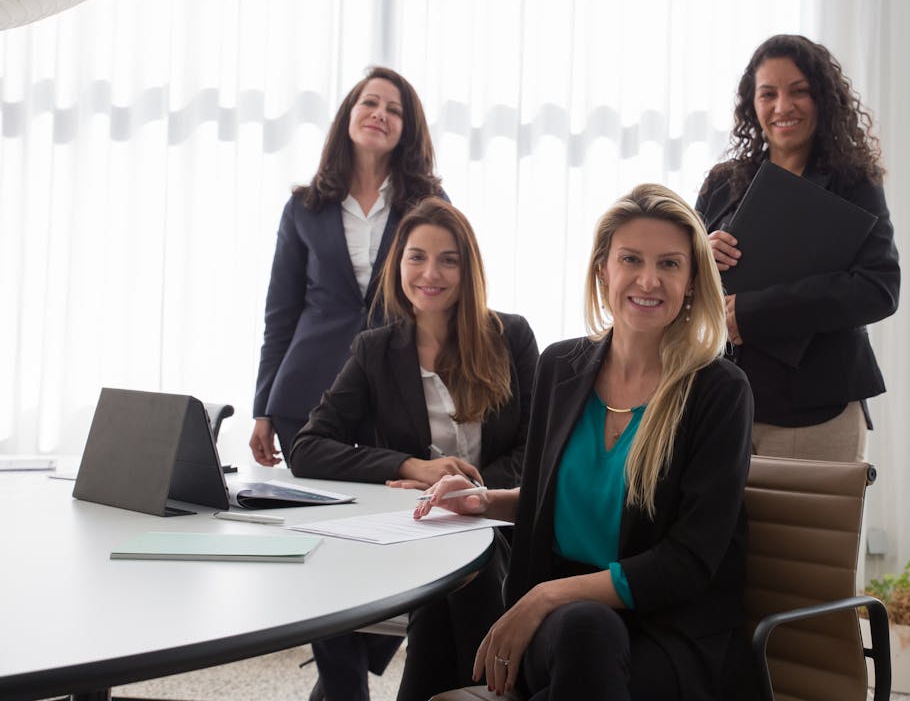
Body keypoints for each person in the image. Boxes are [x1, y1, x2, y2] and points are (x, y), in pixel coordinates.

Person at [415, 184, 754, 701]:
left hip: (666, 630)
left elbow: (690, 560)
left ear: (690, 282)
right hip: (566, 628)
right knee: (576, 628)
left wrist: (546, 597)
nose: (648, 280)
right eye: (631, 260)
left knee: (584, 634)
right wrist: (486, 502)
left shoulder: (718, 391)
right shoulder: (561, 367)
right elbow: (565, 498)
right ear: (604, 271)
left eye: (669, 264)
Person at [289, 197, 539, 701]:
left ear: (468, 269)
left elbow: (538, 443)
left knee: (468, 570)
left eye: (448, 259)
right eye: (417, 257)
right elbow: (308, 447)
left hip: (503, 522)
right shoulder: (375, 350)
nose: (431, 272)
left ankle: (490, 689)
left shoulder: (510, 336)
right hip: (420, 527)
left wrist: (471, 492)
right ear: (397, 264)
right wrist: (412, 466)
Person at [695, 34, 900, 463]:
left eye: (799, 91)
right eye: (768, 94)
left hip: (817, 410)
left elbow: (878, 288)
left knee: (813, 534)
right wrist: (696, 262)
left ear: (823, 99)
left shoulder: (854, 185)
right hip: (721, 408)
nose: (782, 106)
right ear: (752, 104)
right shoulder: (719, 183)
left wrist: (750, 313)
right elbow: (677, 294)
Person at [250, 66, 444, 466]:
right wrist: (263, 407)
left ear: (406, 130)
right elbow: (280, 315)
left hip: (396, 390)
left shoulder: (429, 204)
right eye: (369, 103)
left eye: (394, 110)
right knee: (309, 520)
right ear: (348, 115)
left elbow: (447, 299)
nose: (378, 113)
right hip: (305, 392)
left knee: (389, 514)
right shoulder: (304, 208)